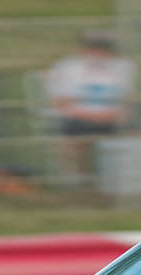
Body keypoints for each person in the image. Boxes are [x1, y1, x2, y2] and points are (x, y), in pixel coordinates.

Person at [44, 30, 134, 182]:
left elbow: (128, 101)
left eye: (102, 49)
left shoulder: (123, 68)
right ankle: (77, 183)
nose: (97, 54)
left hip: (114, 119)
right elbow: (61, 103)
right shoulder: (67, 68)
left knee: (138, 135)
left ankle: (121, 182)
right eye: (93, 48)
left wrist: (113, 115)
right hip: (77, 120)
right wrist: (92, 116)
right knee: (71, 142)